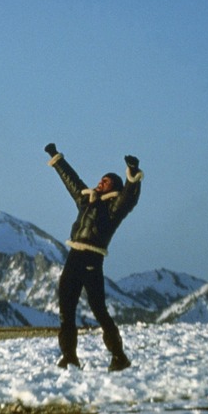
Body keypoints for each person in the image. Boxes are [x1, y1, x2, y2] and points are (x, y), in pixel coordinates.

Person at [44, 143, 143, 371]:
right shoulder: (86, 200)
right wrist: (56, 158)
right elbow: (72, 181)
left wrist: (133, 175)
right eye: (101, 179)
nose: (100, 183)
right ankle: (69, 357)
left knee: (99, 310)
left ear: (113, 187)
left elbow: (129, 197)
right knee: (65, 311)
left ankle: (119, 357)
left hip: (92, 260)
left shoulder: (114, 208)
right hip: (73, 257)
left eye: (106, 181)